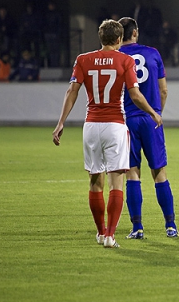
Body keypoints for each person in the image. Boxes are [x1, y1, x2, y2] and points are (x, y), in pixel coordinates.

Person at [52, 20, 162, 249]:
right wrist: (153, 112)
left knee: (94, 181)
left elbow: (72, 91)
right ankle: (111, 235)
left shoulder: (83, 59)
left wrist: (61, 122)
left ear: (100, 38)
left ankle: (101, 232)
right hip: (115, 125)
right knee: (116, 182)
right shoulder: (125, 60)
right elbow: (135, 95)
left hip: (91, 125)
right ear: (119, 39)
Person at [118, 17, 178, 239]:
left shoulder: (117, 57)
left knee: (132, 173)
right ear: (135, 32)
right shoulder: (153, 53)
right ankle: (170, 226)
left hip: (127, 120)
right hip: (152, 119)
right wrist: (157, 114)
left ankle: (137, 228)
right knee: (159, 173)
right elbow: (163, 91)